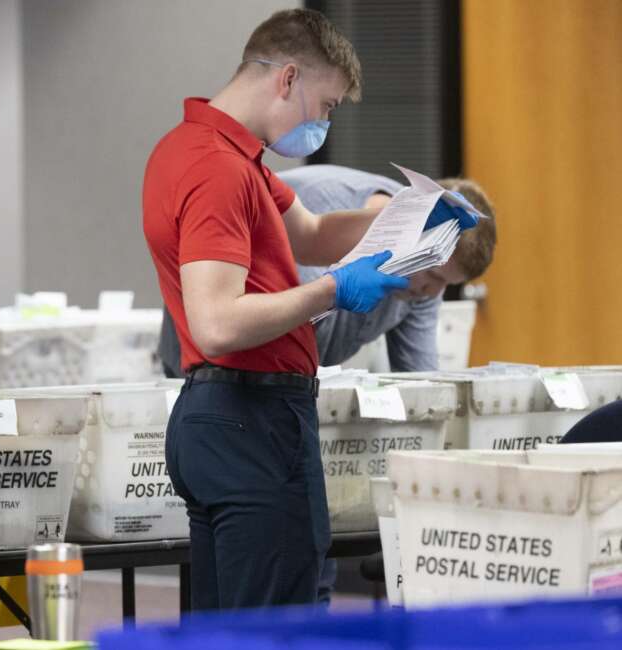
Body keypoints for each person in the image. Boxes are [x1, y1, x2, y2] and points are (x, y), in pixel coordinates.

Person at [143, 9, 477, 610]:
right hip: (251, 416)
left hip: (219, 416)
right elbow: (217, 323)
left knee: (232, 631)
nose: (325, 123)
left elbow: (315, 233)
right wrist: (333, 290)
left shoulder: (218, 154)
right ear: (288, 78)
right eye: (326, 106)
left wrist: (409, 218)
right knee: (281, 628)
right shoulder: (217, 170)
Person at [158, 165, 498, 376]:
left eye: (447, 286)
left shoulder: (425, 273)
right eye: (434, 277)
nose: (432, 293)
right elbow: (263, 327)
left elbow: (420, 380)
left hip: (289, 380)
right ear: (414, 235)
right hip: (207, 363)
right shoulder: (320, 206)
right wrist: (331, 290)